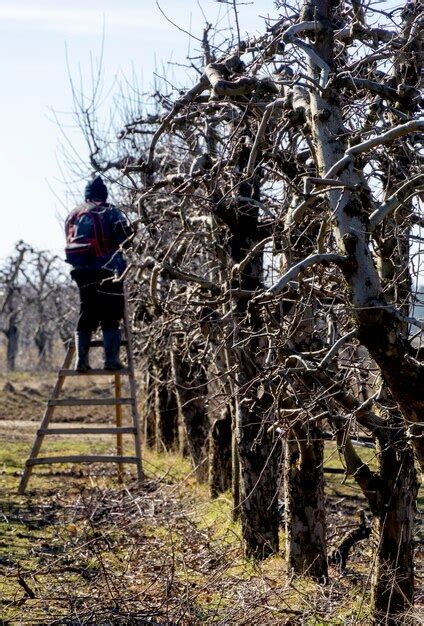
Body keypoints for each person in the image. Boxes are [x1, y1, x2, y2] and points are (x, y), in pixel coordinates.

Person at [65, 176, 133, 371]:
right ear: (103, 194)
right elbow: (125, 237)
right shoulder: (110, 211)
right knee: (111, 313)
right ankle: (111, 360)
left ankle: (81, 361)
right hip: (108, 268)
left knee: (87, 311)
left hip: (81, 271)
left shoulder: (73, 214)